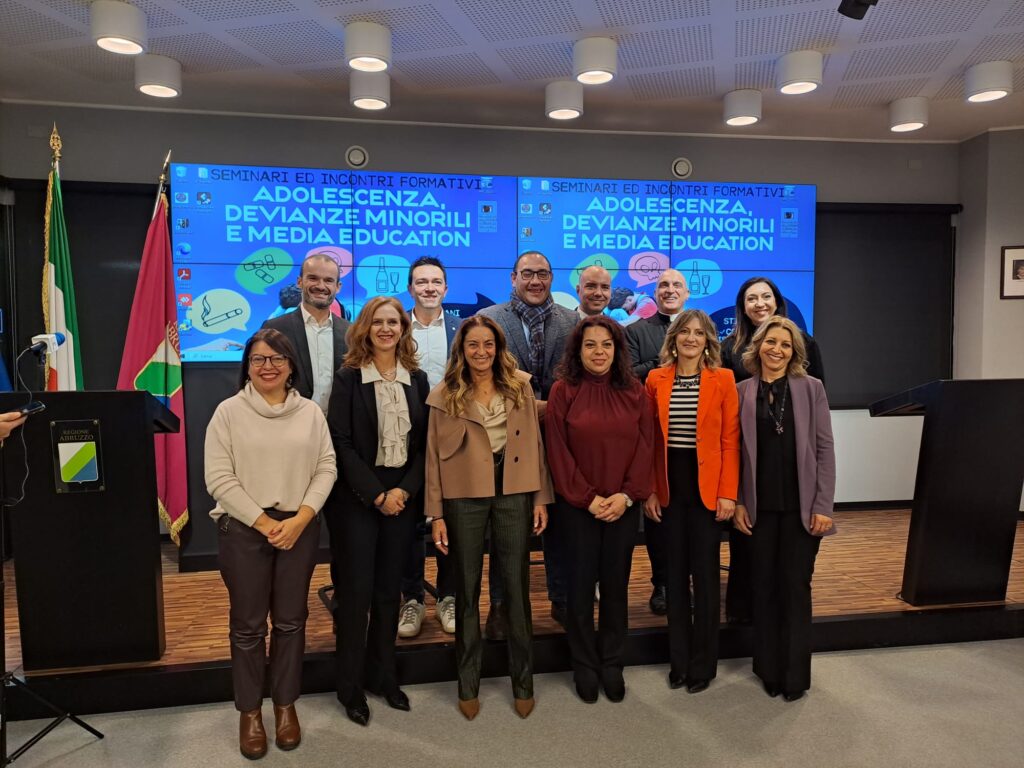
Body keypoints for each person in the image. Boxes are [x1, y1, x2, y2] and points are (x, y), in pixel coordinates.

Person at [204, 329, 337, 759]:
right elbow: (219, 479)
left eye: (277, 359)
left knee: (291, 622)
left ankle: (284, 706)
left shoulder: (310, 413)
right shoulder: (228, 412)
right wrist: (264, 524)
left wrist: (302, 518)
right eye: (259, 359)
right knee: (247, 627)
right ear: (247, 365)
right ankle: (249, 713)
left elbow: (327, 468)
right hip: (245, 530)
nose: (268, 366)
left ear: (291, 365)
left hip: (299, 528)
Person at [424, 315, 551, 721]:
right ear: (461, 350)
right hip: (463, 498)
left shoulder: (519, 386)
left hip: (514, 491)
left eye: (488, 344)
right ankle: (467, 683)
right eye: (473, 345)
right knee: (466, 591)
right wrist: (436, 514)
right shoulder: (444, 394)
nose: (481, 352)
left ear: (499, 348)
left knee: (516, 588)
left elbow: (535, 445)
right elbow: (432, 459)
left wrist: (540, 498)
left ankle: (523, 682)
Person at [325, 296, 430, 727]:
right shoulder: (349, 377)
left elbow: (425, 445)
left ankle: (384, 675)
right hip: (357, 500)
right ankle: (350, 687)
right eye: (378, 322)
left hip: (402, 499)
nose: (386, 329)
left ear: (404, 329)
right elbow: (340, 442)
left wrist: (404, 491)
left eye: (394, 322)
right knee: (356, 596)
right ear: (365, 328)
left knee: (390, 593)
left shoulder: (418, 379)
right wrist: (377, 495)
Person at [545, 315, 654, 704]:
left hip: (622, 507)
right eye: (590, 344)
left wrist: (626, 496)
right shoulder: (563, 391)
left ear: (617, 349)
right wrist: (587, 498)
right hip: (578, 509)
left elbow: (646, 447)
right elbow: (557, 452)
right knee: (578, 591)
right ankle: (584, 665)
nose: (599, 352)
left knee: (614, 587)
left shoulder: (636, 391)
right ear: (577, 350)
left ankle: (612, 663)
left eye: (606, 344)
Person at [733, 315, 836, 702]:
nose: (777, 349)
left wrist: (823, 504)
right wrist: (738, 501)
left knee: (795, 586)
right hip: (757, 510)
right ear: (758, 345)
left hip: (802, 509)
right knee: (763, 587)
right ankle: (768, 669)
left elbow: (825, 449)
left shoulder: (812, 389)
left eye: (785, 345)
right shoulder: (741, 391)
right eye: (770, 341)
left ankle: (794, 675)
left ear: (794, 352)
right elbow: (733, 454)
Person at [477, 250, 576, 630]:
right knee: (509, 526)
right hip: (506, 438)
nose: (536, 281)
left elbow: (577, 379)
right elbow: (479, 377)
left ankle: (562, 599)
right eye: (528, 274)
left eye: (543, 274)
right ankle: (501, 605)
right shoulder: (489, 320)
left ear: (552, 277)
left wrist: (552, 408)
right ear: (513, 277)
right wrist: (527, 407)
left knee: (561, 526)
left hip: (560, 437)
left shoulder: (572, 321)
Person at [644, 310, 739, 694]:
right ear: (673, 338)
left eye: (699, 333)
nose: (691, 338)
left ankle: (704, 664)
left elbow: (731, 441)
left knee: (706, 577)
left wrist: (728, 492)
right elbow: (650, 441)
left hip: (708, 491)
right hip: (669, 488)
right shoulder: (655, 379)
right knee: (675, 577)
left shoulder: (724, 379)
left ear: (708, 340)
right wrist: (651, 488)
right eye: (684, 332)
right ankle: (679, 661)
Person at [720, 277, 825, 625]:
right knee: (755, 577)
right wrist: (736, 498)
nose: (759, 303)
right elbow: (731, 442)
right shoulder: (731, 358)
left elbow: (821, 440)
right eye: (751, 298)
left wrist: (823, 503)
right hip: (754, 491)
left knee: (794, 579)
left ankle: (789, 651)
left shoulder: (810, 378)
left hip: (797, 492)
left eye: (766, 296)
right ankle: (750, 637)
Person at [399, 256, 463, 638]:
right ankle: (411, 598)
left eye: (436, 282)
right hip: (404, 438)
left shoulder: (461, 328)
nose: (429, 288)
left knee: (450, 518)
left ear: (445, 288)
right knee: (407, 522)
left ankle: (448, 596)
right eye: (421, 282)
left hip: (453, 439)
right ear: (410, 288)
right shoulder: (394, 328)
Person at [626, 268, 689, 616]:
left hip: (695, 443)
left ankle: (687, 582)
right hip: (653, 438)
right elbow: (630, 376)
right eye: (663, 284)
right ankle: (662, 584)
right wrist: (665, 363)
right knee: (658, 519)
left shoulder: (702, 329)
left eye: (677, 285)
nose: (670, 289)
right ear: (655, 292)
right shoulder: (635, 331)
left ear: (687, 293)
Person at [262, 253, 351, 413]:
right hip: (290, 422)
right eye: (313, 278)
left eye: (328, 280)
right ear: (300, 282)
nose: (321, 286)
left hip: (338, 426)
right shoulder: (275, 329)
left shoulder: (351, 332)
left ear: (338, 287)